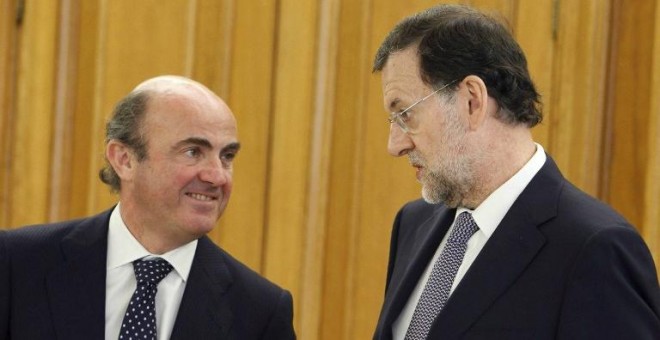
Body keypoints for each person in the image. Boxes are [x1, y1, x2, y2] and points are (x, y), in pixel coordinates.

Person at [371, 4, 659, 339]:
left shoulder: (596, 249)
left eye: (405, 114)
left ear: (472, 101)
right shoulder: (413, 223)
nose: (395, 145)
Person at [0, 75, 296, 339]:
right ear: (124, 159)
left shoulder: (261, 312)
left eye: (227, 156)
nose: (217, 175)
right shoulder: (18, 264)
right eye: (193, 152)